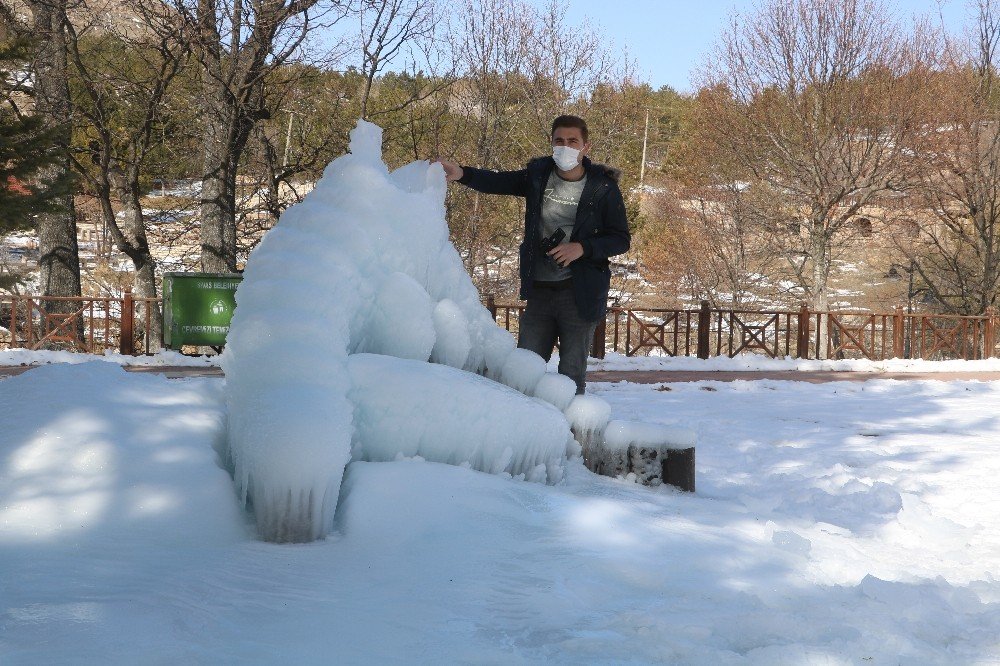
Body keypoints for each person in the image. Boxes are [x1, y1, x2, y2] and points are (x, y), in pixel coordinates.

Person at [438, 115, 630, 394]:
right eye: (559, 141)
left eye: (573, 141)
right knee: (524, 373)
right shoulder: (538, 176)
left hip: (580, 294)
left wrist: (582, 248)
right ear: (551, 143)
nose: (566, 147)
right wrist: (462, 174)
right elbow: (499, 182)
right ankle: (526, 432)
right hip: (539, 291)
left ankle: (568, 433)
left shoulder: (603, 188)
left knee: (571, 376)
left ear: (586, 146)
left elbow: (621, 239)